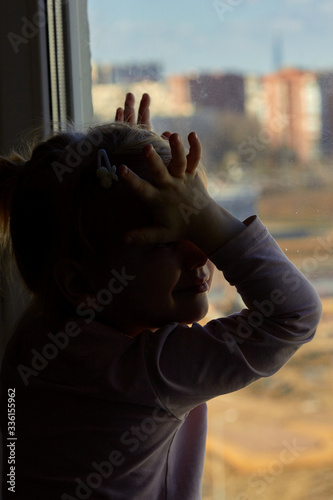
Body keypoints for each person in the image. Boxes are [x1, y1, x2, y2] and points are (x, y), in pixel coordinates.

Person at [0, 93, 322, 500]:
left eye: (196, 232)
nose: (200, 252)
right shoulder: (147, 373)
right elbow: (293, 315)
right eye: (165, 240)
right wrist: (212, 224)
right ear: (80, 286)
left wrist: (128, 161)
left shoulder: (35, 341)